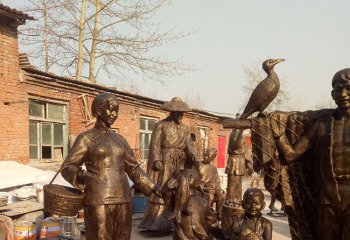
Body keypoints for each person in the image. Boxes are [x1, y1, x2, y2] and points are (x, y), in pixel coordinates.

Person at [60, 92, 160, 240]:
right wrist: (81, 176)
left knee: (123, 237)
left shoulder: (119, 139)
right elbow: (68, 167)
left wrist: (152, 187)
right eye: (111, 109)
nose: (114, 114)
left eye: (117, 110)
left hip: (123, 198)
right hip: (98, 199)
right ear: (99, 111)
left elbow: (133, 168)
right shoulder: (86, 138)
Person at [274, 68, 350, 240]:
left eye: (349, 89)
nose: (344, 94)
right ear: (332, 93)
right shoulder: (321, 126)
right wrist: (278, 135)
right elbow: (291, 155)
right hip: (327, 198)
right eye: (339, 89)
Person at [139, 97, 199, 231]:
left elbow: (190, 146)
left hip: (180, 163)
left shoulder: (185, 128)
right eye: (178, 112)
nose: (181, 114)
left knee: (179, 188)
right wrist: (156, 159)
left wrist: (194, 156)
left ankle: (175, 217)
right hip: (166, 161)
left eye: (182, 112)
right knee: (163, 188)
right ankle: (157, 219)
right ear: (171, 112)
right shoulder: (160, 125)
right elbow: (155, 145)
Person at [163, 169, 219, 240]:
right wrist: (169, 188)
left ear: (197, 184)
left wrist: (214, 227)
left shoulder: (203, 202)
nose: (187, 177)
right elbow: (165, 195)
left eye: (191, 176)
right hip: (181, 237)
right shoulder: (175, 201)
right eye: (185, 175)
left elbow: (211, 221)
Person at [198, 148, 225, 219]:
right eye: (206, 156)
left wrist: (218, 188)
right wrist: (202, 186)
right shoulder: (198, 165)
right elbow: (194, 178)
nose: (206, 158)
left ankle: (219, 214)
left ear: (212, 158)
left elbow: (217, 181)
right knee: (210, 196)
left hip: (211, 188)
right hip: (201, 189)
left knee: (222, 195)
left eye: (209, 157)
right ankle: (207, 215)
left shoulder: (213, 169)